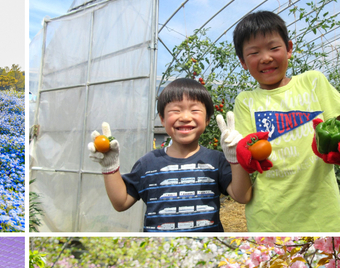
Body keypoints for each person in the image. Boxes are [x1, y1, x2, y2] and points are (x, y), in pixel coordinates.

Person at [223, 10, 340, 232]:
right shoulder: (245, 101)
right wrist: (238, 154)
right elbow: (247, 156)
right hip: (269, 221)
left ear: (289, 49)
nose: (266, 57)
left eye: (274, 48)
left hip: (325, 217)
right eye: (254, 52)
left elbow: (337, 130)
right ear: (243, 62)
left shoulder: (312, 82)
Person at [87, 78, 252, 232]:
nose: (185, 117)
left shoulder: (215, 160)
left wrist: (235, 159)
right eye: (175, 110)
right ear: (162, 119)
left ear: (207, 119)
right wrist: (110, 167)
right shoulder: (148, 163)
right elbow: (121, 203)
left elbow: (242, 196)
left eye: (194, 110)